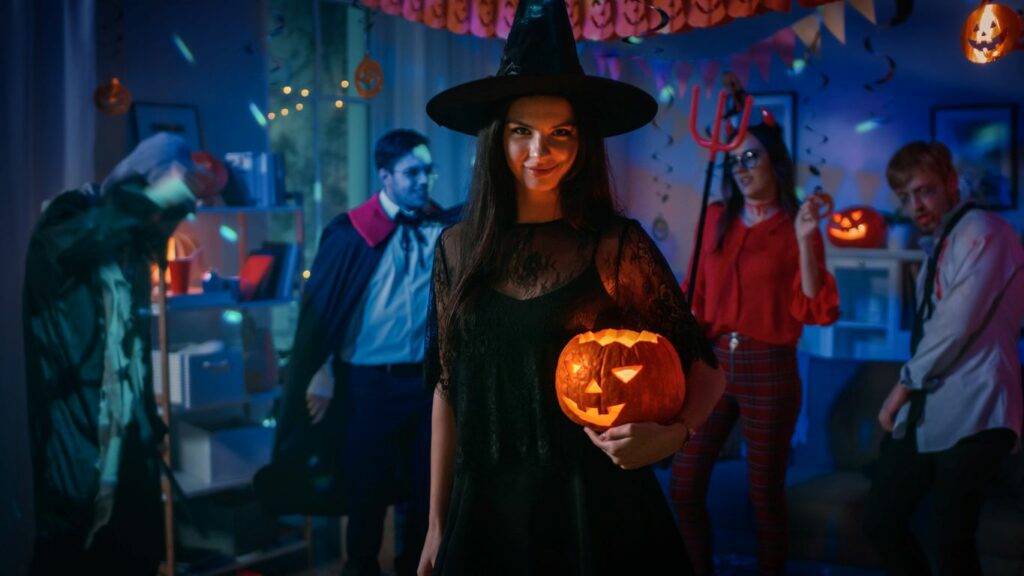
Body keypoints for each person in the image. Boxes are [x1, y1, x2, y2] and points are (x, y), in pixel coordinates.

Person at [416, 1, 726, 574]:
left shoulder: (615, 246)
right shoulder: (455, 248)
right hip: (485, 508)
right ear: (496, 141)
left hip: (594, 509)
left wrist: (674, 435)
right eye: (521, 132)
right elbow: (446, 389)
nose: (541, 152)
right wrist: (436, 525)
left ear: (581, 142)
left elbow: (706, 367)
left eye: (560, 132)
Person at [262, 130, 459, 576]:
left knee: (425, 482)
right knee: (365, 486)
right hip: (368, 383)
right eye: (412, 172)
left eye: (428, 171)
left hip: (427, 381)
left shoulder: (441, 226)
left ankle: (416, 566)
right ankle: (360, 567)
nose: (424, 180)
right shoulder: (351, 233)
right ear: (385, 176)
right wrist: (320, 370)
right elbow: (322, 313)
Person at [23, 133, 221, 574]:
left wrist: (150, 421)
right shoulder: (69, 219)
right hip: (75, 425)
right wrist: (158, 193)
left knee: (133, 545)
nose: (167, 226)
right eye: (164, 211)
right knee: (72, 544)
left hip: (127, 431)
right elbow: (86, 237)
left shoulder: (131, 248)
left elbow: (130, 341)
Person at [669, 118, 840, 576]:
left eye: (751, 157)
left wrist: (806, 240)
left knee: (764, 494)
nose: (741, 168)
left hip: (771, 367)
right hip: (715, 362)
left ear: (775, 163)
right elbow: (695, 292)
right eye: (733, 161)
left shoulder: (794, 225)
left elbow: (816, 309)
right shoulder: (714, 218)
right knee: (683, 486)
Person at [864, 141, 1023, 576]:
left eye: (925, 191)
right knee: (881, 519)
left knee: (951, 537)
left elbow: (954, 322)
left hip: (978, 407)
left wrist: (899, 389)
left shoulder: (984, 231)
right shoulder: (941, 242)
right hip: (931, 407)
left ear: (952, 183)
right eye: (904, 197)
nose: (915, 205)